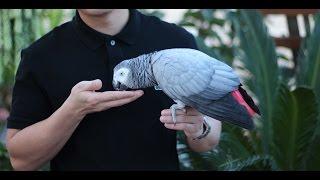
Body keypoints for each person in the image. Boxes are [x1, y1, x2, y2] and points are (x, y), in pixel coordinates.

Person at [6, 9, 222, 171]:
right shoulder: (40, 56)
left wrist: (199, 129)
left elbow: (208, 141)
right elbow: (21, 160)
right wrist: (72, 112)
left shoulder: (176, 41)